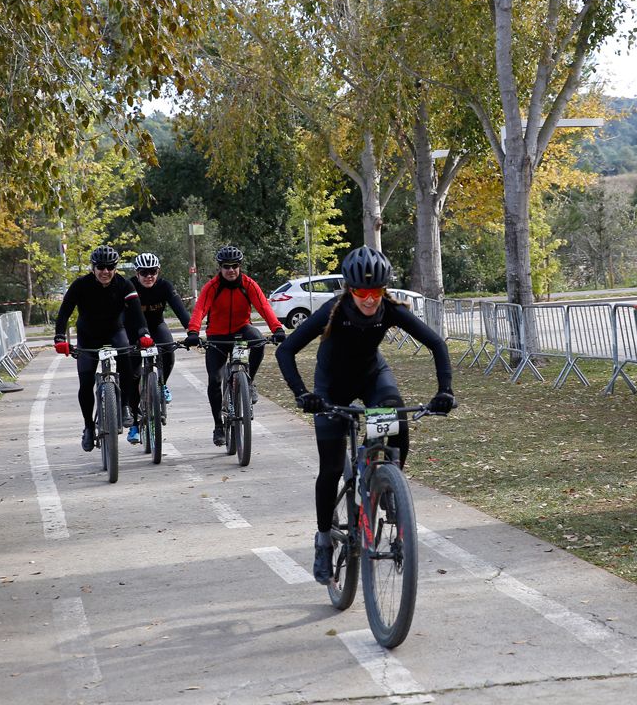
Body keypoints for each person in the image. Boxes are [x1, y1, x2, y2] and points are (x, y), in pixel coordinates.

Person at [275, 245, 456, 584]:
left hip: (373, 377)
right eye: (362, 292)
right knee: (330, 468)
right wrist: (303, 394)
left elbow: (436, 344)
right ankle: (324, 541)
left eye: (376, 292)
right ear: (350, 289)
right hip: (331, 387)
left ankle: (388, 486)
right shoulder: (334, 310)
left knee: (398, 422)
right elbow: (286, 350)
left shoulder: (389, 309)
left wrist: (444, 390)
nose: (370, 299)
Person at [53, 245, 153, 452]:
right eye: (101, 267)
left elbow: (136, 313)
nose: (105, 272)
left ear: (116, 268)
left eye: (110, 267)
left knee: (128, 369)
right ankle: (89, 427)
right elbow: (64, 313)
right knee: (86, 380)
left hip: (115, 332)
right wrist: (59, 337)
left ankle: (126, 406)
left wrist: (144, 333)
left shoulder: (124, 285)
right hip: (88, 337)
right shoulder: (80, 285)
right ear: (93, 267)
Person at [184, 245, 286, 445]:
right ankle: (218, 426)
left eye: (235, 266)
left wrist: (277, 329)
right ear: (220, 268)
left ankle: (249, 382)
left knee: (258, 341)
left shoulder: (248, 284)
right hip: (217, 336)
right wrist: (193, 332)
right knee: (214, 380)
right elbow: (200, 309)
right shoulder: (212, 286)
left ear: (240, 266)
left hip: (241, 330)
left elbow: (264, 306)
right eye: (226, 266)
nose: (231, 270)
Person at [124, 251, 191, 444]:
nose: (148, 276)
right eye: (144, 272)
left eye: (152, 271)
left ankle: (162, 384)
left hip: (156, 326)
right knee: (133, 375)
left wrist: (192, 331)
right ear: (137, 273)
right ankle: (135, 424)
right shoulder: (129, 286)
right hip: (133, 331)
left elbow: (180, 310)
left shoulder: (164, 286)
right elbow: (119, 314)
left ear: (158, 271)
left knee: (169, 349)